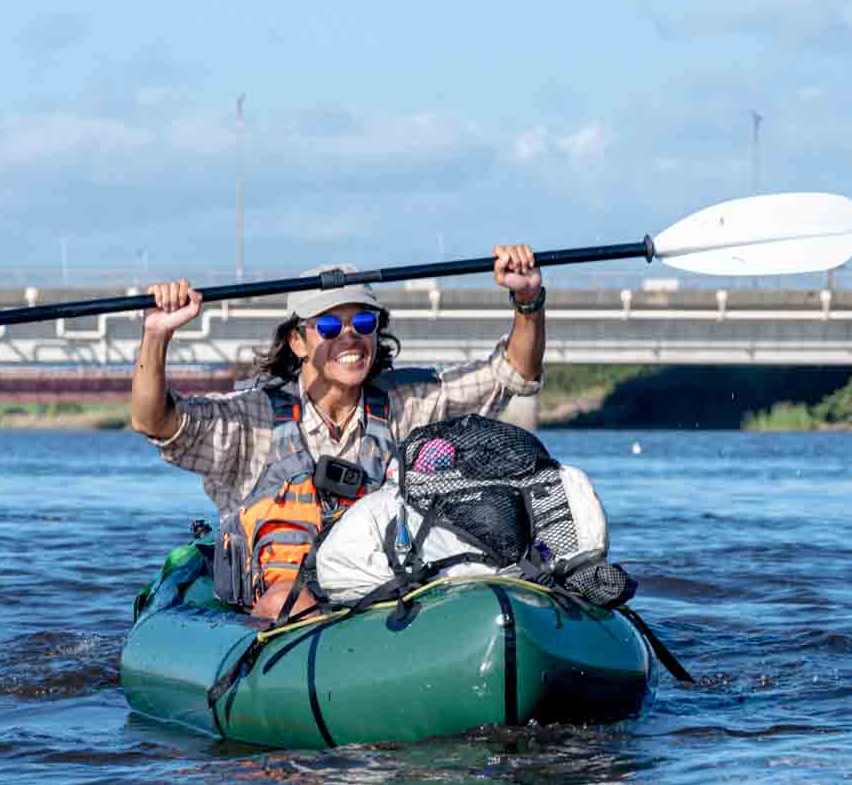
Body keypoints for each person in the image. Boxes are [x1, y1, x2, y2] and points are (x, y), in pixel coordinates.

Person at [130, 246, 546, 619]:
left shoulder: (409, 403)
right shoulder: (250, 420)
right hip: (279, 614)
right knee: (288, 601)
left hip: (379, 595)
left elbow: (513, 374)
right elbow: (156, 422)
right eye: (329, 326)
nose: (350, 336)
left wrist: (527, 300)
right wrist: (156, 336)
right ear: (297, 341)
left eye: (362, 323)